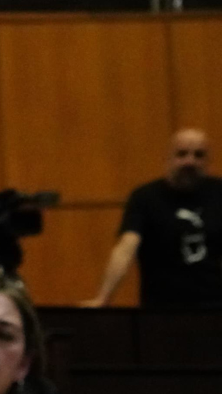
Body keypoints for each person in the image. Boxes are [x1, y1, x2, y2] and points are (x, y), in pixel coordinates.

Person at [84, 128, 222, 307]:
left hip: (214, 307)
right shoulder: (146, 197)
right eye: (181, 154)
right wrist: (103, 298)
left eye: (198, 155)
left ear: (208, 161)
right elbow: (126, 248)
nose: (190, 161)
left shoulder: (219, 193)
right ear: (168, 158)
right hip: (159, 308)